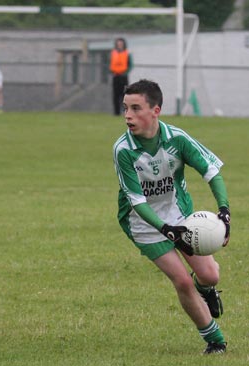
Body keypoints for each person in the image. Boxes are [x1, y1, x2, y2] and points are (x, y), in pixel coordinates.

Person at [112, 79, 230, 354]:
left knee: (210, 275)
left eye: (136, 108)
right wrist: (165, 229)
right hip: (142, 221)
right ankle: (215, 341)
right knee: (183, 280)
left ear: (156, 110)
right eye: (125, 108)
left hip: (179, 213)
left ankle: (207, 290)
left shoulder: (177, 138)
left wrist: (224, 212)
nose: (128, 115)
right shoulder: (124, 149)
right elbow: (137, 201)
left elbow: (212, 173)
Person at [109, 37, 133, 116]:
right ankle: (116, 113)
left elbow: (130, 65)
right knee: (115, 95)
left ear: (124, 45)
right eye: (118, 44)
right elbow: (109, 64)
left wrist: (125, 73)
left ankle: (125, 112)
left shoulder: (127, 53)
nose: (119, 45)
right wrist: (111, 72)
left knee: (124, 95)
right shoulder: (112, 53)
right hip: (115, 76)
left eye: (121, 44)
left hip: (123, 77)